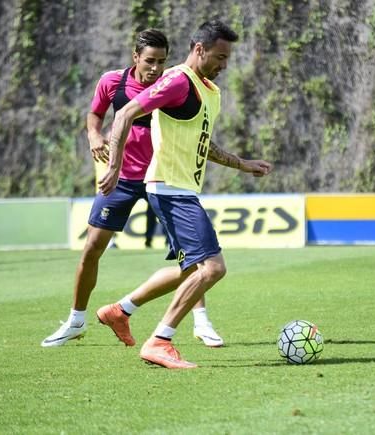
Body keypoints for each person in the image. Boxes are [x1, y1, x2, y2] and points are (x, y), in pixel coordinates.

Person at [96, 19, 273, 369]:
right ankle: (160, 340)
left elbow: (203, 143)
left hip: (181, 189)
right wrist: (114, 165)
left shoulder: (208, 90)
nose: (224, 65)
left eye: (227, 59)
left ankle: (120, 310)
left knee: (189, 269)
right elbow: (128, 112)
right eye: (220, 57)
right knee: (213, 268)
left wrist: (241, 164)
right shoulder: (177, 81)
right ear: (199, 49)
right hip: (170, 189)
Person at [41, 29, 223, 348]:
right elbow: (95, 114)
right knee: (92, 247)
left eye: (162, 61)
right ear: (135, 57)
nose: (155, 68)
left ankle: (201, 322)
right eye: (150, 61)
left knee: (194, 259)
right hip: (123, 178)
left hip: (161, 178)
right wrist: (94, 137)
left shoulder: (174, 85)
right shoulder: (112, 82)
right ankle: (75, 320)